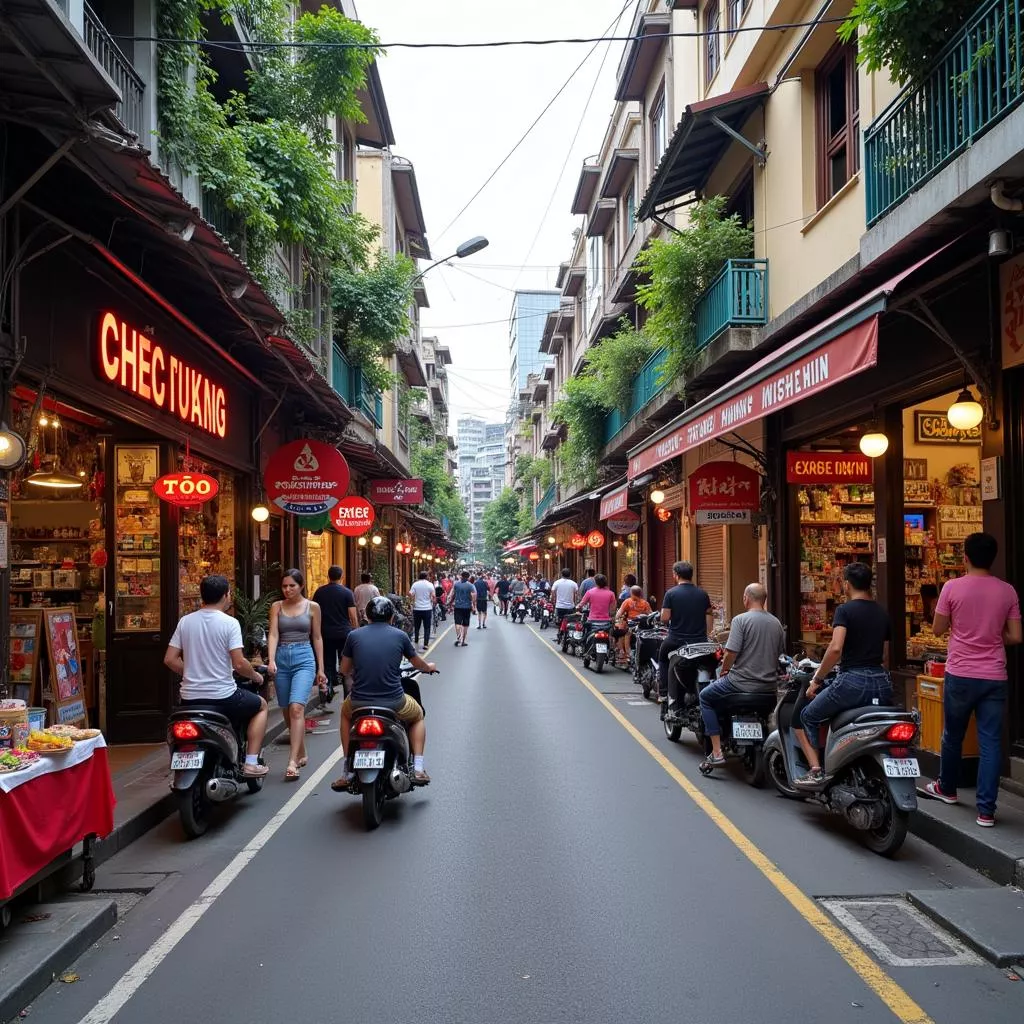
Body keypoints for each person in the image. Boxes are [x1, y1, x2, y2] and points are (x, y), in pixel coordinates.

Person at [923, 533, 1021, 827]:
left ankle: (947, 788)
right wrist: (992, 636)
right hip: (994, 675)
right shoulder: (1008, 591)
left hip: (961, 673)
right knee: (990, 742)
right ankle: (986, 811)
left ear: (964, 556)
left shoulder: (952, 587)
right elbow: (1016, 636)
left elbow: (938, 629)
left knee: (953, 734)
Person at [796, 562, 893, 787]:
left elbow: (836, 648)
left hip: (852, 681)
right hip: (881, 681)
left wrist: (817, 679)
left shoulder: (845, 610)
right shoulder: (882, 613)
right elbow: (885, 657)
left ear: (847, 585)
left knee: (808, 715)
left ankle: (816, 770)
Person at [164, 574, 268, 778]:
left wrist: (193, 672)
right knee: (262, 706)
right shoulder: (229, 623)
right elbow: (239, 663)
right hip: (223, 697)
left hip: (189, 699)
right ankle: (251, 762)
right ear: (226, 595)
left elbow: (170, 659)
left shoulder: (185, 622)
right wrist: (256, 676)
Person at [331, 597, 437, 790]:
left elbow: (344, 669)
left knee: (345, 715)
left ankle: (346, 768)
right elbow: (416, 663)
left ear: (367, 617)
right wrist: (428, 667)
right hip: (394, 702)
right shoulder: (399, 636)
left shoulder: (354, 636)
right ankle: (419, 768)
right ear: (391, 618)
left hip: (358, 702)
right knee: (418, 716)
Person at [698, 583, 785, 772]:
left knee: (705, 697)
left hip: (738, 684)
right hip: (768, 690)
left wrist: (724, 671)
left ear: (746, 598)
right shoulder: (776, 623)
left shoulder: (740, 620)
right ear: (765, 600)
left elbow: (730, 653)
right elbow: (779, 654)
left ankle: (717, 751)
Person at [267, 568, 327, 782]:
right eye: (284, 586)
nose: (288, 590)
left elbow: (318, 637)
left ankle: (292, 762)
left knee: (296, 707)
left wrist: (321, 668)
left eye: (292, 585)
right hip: (282, 656)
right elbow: (273, 633)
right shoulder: (276, 607)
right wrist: (271, 659)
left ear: (301, 586)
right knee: (286, 709)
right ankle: (301, 750)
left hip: (304, 656)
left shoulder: (313, 607)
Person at [659, 561, 714, 716]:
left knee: (663, 657)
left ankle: (663, 693)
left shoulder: (671, 593)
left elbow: (665, 617)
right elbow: (709, 614)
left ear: (676, 575)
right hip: (700, 642)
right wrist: (708, 634)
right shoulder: (702, 594)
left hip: (677, 641)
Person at [312, 566, 358, 700]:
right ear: (342, 577)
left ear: (328, 577)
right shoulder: (347, 592)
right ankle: (347, 694)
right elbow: (353, 616)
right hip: (344, 633)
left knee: (328, 664)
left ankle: (328, 690)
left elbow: (314, 613)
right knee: (346, 665)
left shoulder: (320, 592)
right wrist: (356, 630)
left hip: (325, 633)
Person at [615, 585, 652, 663]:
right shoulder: (645, 603)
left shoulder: (627, 601)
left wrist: (616, 618)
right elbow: (650, 614)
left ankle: (625, 652)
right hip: (642, 625)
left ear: (631, 593)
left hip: (631, 624)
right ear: (641, 594)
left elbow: (620, 612)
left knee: (623, 632)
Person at [409, 570, 437, 651]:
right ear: (426, 577)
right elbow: (434, 596)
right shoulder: (430, 585)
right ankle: (425, 644)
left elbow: (411, 594)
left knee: (417, 626)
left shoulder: (415, 584)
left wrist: (413, 601)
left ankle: (416, 640)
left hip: (417, 608)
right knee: (427, 627)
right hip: (427, 608)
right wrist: (433, 601)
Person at [448, 570, 477, 647]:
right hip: (467, 607)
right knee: (465, 624)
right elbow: (474, 596)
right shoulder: (471, 585)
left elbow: (452, 595)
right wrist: (473, 606)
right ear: (468, 577)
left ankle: (458, 637)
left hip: (458, 606)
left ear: (461, 576)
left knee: (457, 623)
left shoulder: (456, 584)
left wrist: (450, 602)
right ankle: (463, 641)